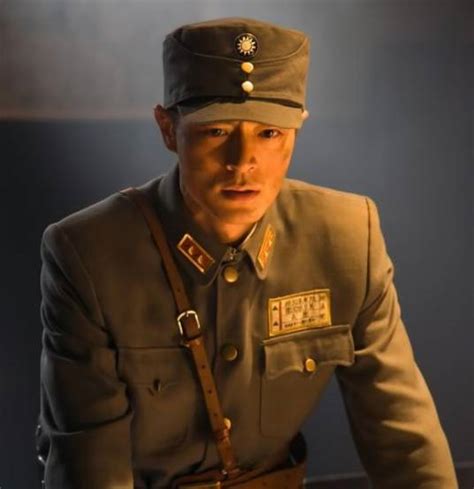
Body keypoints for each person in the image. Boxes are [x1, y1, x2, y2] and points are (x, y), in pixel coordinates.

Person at [36, 17, 458, 489]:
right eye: (216, 131)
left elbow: (404, 439)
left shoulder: (345, 240)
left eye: (269, 134)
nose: (242, 162)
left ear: (298, 130)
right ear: (168, 129)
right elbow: (90, 468)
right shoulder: (89, 255)